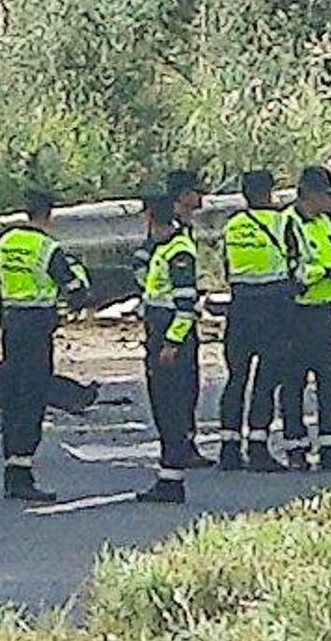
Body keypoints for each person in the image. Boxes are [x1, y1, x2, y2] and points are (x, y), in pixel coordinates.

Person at [0, 192, 89, 502]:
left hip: (10, 325)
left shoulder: (2, 244)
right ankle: (23, 472)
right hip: (36, 327)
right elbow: (74, 288)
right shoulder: (48, 248)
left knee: (13, 395)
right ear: (48, 216)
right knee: (33, 396)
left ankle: (11, 470)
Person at [280, 166, 331, 471]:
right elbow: (292, 272)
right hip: (295, 313)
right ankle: (296, 447)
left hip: (324, 311)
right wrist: (327, 272)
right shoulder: (288, 223)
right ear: (309, 194)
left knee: (329, 381)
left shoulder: (327, 222)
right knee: (294, 382)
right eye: (327, 196)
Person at [218, 170, 291, 473]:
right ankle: (258, 446)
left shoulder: (232, 225)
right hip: (273, 306)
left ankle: (229, 448)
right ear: (269, 192)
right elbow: (296, 262)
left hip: (240, 306)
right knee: (266, 379)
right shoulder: (282, 222)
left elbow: (225, 266)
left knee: (236, 378)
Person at [132, 196, 201, 503]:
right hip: (158, 333)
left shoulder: (178, 251)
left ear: (149, 218)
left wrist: (172, 343)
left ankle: (172, 480)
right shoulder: (164, 248)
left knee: (171, 408)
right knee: (163, 408)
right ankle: (168, 477)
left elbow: (186, 307)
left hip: (170, 340)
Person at [161, 169, 212, 469]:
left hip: (184, 313)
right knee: (178, 384)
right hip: (172, 316)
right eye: (195, 191)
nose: (200, 196)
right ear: (181, 196)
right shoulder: (170, 229)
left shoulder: (186, 226)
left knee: (190, 382)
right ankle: (179, 445)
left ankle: (185, 441)